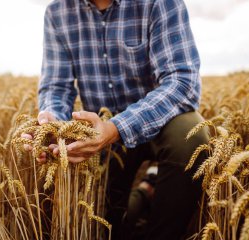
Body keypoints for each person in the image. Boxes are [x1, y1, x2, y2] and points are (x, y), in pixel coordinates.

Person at [22, 0, 209, 239]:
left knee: (191, 134)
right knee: (104, 223)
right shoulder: (58, 11)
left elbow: (182, 82)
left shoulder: (158, 3)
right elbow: (56, 87)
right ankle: (146, 191)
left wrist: (116, 127)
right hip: (102, 135)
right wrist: (52, 126)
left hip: (160, 122)